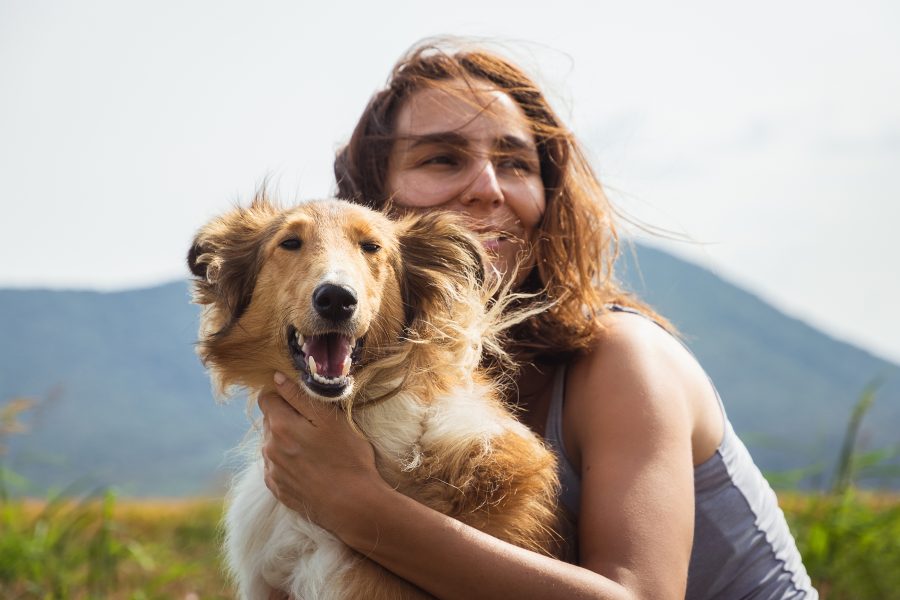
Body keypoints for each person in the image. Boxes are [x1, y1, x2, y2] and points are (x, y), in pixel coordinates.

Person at [257, 40, 818, 599]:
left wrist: (355, 503)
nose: (488, 188)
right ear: (369, 202)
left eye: (516, 163)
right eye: (443, 158)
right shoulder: (373, 384)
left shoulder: (625, 359)